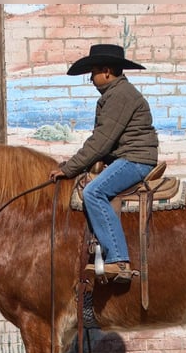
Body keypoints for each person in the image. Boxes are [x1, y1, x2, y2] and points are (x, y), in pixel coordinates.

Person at [49, 44, 159, 283]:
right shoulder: (116, 93)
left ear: (107, 71)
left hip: (135, 160)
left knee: (93, 192)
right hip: (127, 157)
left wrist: (69, 168)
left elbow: (101, 141)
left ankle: (118, 261)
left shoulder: (120, 95)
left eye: (94, 71)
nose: (91, 77)